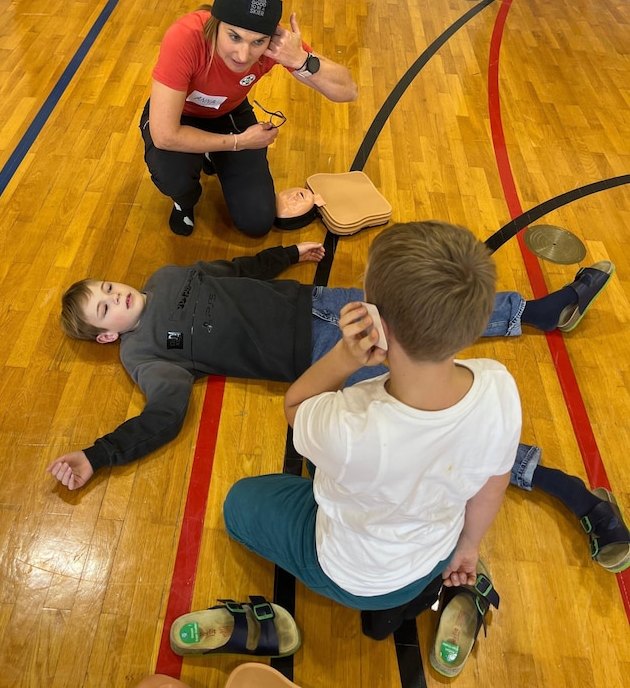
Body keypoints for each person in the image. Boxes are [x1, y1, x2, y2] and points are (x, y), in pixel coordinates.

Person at [221, 223, 628, 676]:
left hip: (351, 573)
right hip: (437, 554)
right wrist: (468, 547)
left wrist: (342, 358)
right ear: (476, 324)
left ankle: (384, 602)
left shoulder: (350, 422)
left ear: (379, 324)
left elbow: (295, 406)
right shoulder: (498, 385)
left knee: (238, 503)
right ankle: (405, 603)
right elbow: (493, 482)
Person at [48, 238, 613, 491]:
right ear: (105, 336)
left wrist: (289, 255)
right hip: (321, 358)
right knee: (418, 406)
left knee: (419, 305)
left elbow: (238, 271)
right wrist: (99, 455)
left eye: (106, 286)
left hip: (318, 304)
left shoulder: (164, 278)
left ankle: (536, 311)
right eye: (104, 306)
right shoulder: (143, 354)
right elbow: (163, 416)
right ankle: (525, 469)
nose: (115, 295)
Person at [139, 0, 358, 238]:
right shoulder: (186, 36)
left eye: (258, 42)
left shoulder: (277, 46)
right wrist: (238, 142)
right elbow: (165, 134)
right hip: (181, 115)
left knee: (256, 223)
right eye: (234, 36)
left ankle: (209, 152)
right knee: (172, 174)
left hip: (228, 113)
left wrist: (302, 60)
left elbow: (348, 91)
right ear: (216, 23)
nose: (243, 55)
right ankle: (183, 202)